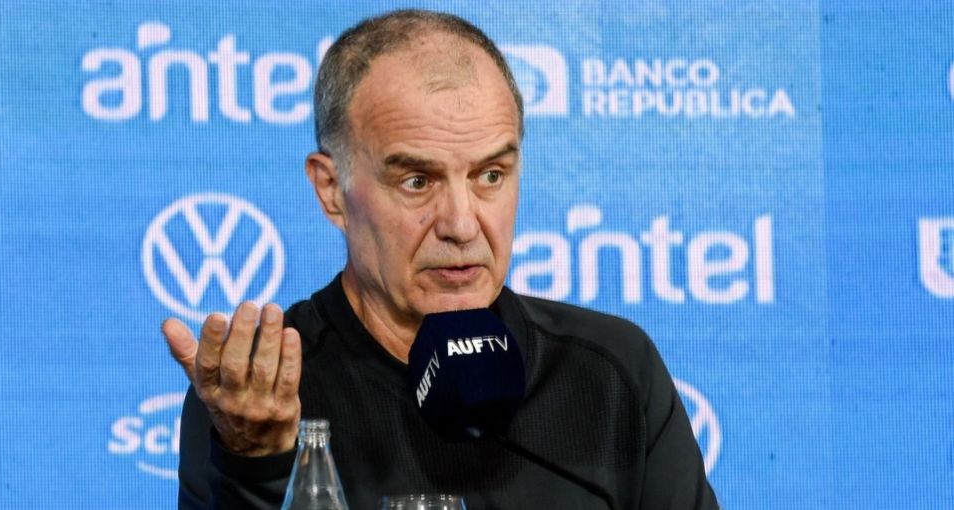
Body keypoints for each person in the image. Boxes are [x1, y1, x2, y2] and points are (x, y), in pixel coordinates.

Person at [163, 9, 719, 509]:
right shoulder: (258, 396)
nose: (461, 224)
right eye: (417, 181)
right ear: (332, 190)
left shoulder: (611, 374)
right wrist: (255, 465)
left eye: (490, 175)